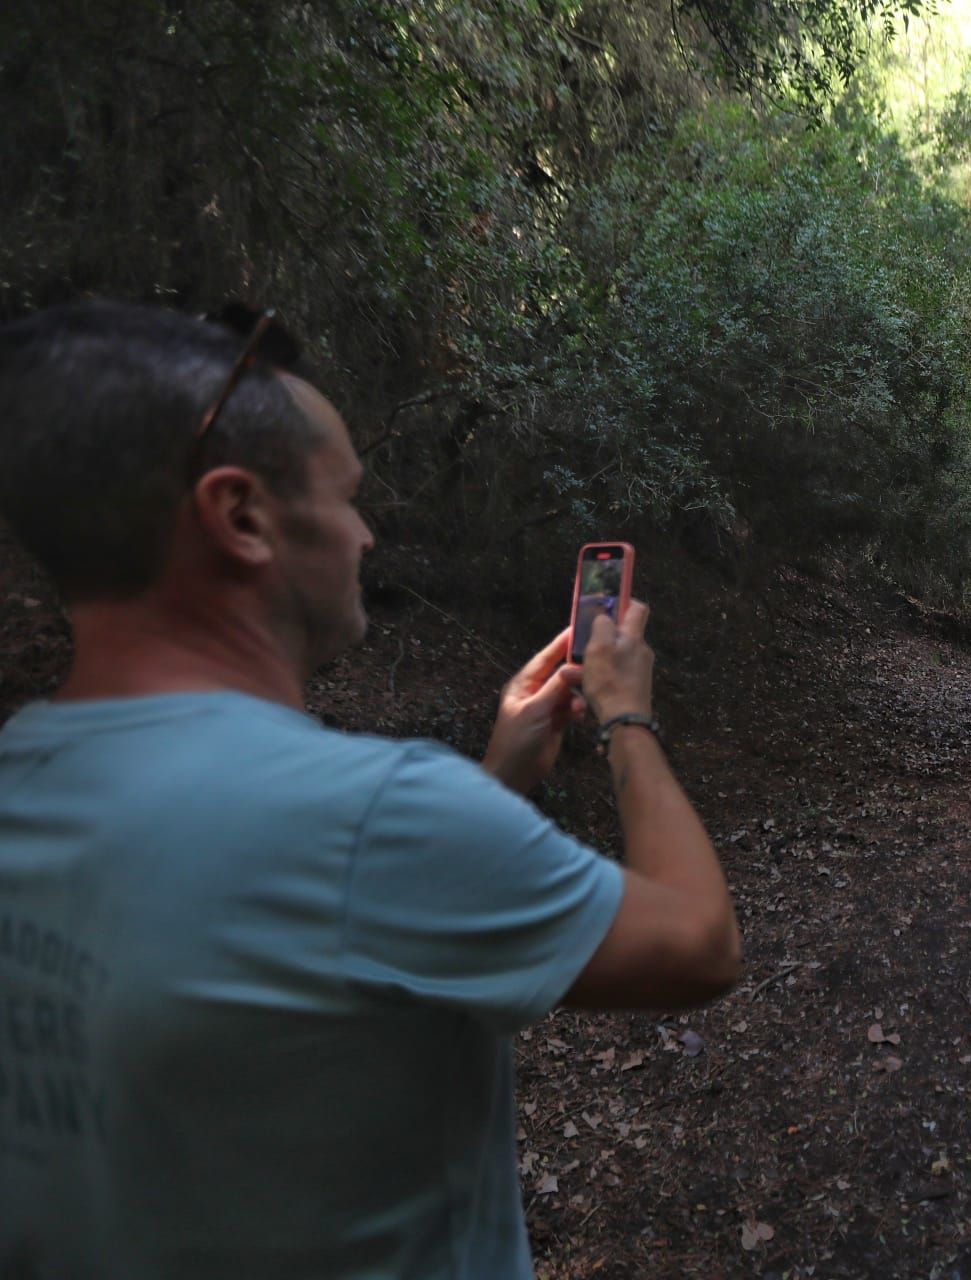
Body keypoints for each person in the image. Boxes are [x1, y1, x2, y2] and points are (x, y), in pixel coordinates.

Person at [0, 301, 741, 1279]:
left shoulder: (25, 769)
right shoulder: (373, 812)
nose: (365, 534)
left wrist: (497, 779)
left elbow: (315, 932)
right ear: (241, 515)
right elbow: (698, 942)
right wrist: (626, 713)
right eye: (346, 496)